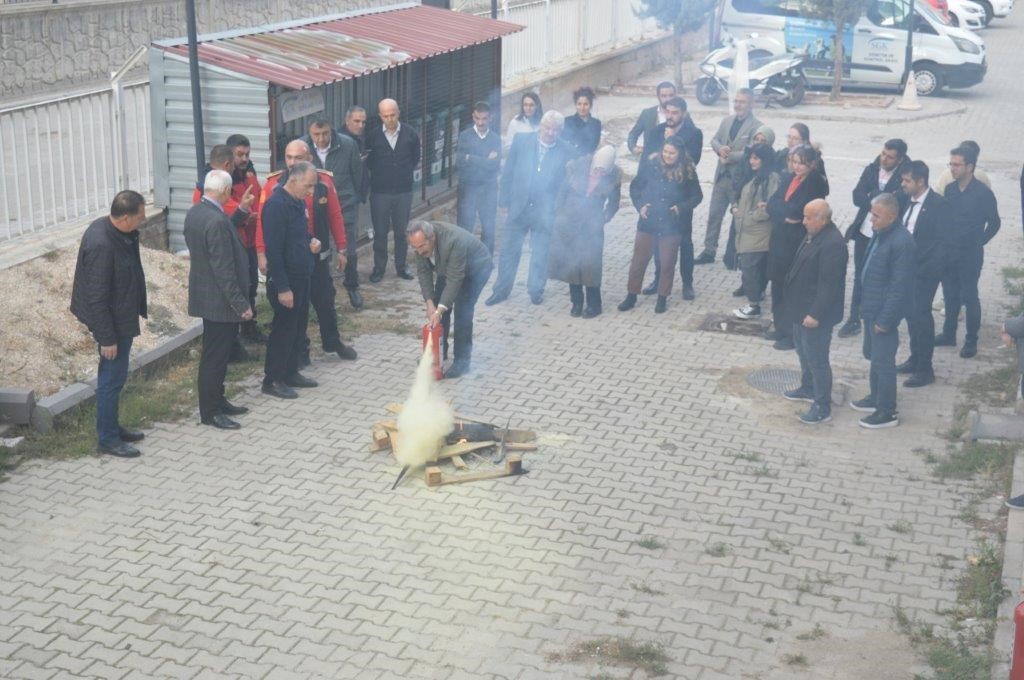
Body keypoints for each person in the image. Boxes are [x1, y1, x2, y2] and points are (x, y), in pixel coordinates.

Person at [255, 140, 356, 364]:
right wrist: (261, 253)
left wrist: (342, 248)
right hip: (291, 258)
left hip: (316, 255)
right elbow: (263, 224)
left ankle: (332, 342)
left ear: (309, 158)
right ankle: (300, 351)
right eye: (288, 157)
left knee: (325, 301)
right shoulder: (273, 185)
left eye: (298, 158)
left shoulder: (323, 181)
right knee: (296, 309)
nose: (292, 163)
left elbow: (335, 215)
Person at [70, 190, 148, 458]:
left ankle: (112, 426)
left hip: (120, 316)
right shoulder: (102, 244)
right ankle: (107, 438)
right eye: (140, 217)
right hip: (111, 324)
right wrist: (107, 338)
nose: (143, 220)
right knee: (110, 380)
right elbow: (97, 297)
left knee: (115, 377)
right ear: (125, 217)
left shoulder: (118, 232)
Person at [184, 169, 253, 430]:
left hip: (206, 295)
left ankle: (219, 400)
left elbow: (219, 240)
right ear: (225, 191)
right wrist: (241, 304)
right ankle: (210, 412)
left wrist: (241, 212)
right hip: (220, 301)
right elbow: (223, 268)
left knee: (219, 355)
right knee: (215, 357)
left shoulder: (197, 212)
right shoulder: (215, 221)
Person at [486, 110, 571, 306]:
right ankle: (501, 290)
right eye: (547, 128)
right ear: (541, 125)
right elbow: (508, 172)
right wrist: (504, 201)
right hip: (519, 207)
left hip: (545, 211)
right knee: (509, 251)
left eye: (555, 130)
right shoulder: (521, 141)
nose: (550, 133)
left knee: (540, 251)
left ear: (561, 131)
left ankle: (535, 289)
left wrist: (559, 209)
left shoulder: (566, 150)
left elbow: (566, 184)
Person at [849, 193, 915, 429]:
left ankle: (887, 411)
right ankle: (875, 397)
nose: (871, 219)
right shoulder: (881, 234)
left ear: (892, 216)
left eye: (876, 215)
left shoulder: (901, 242)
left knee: (883, 362)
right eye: (871, 213)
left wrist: (886, 320)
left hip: (882, 315)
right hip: (871, 309)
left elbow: (900, 287)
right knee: (874, 357)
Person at [781, 199, 848, 424]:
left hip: (815, 315)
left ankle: (822, 405)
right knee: (803, 351)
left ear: (823, 218)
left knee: (817, 358)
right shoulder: (814, 234)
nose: (804, 221)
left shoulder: (833, 244)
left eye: (809, 217)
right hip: (800, 309)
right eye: (804, 216)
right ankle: (807, 387)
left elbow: (830, 285)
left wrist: (816, 314)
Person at [618, 137, 703, 314]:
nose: (668, 156)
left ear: (679, 154)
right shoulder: (650, 165)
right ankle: (631, 295)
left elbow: (697, 196)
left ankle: (662, 298)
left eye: (672, 153)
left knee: (667, 262)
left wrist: (680, 207)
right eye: (665, 151)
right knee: (639, 261)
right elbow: (635, 188)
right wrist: (640, 205)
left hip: (672, 223)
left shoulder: (687, 170)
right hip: (648, 221)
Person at [259, 161, 322, 399]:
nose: (311, 192)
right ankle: (272, 379)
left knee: (298, 327)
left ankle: (290, 372)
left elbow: (299, 233)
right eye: (308, 186)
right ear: (293, 180)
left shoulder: (297, 202)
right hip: (285, 280)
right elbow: (274, 250)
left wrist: (311, 241)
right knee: (283, 329)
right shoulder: (276, 205)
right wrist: (283, 287)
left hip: (302, 274)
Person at [838, 139, 910, 338]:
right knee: (860, 274)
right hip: (864, 232)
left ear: (900, 159)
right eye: (883, 154)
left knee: (880, 277)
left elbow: (896, 202)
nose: (884, 159)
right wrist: (879, 196)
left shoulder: (905, 175)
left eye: (890, 157)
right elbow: (856, 196)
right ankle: (854, 318)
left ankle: (878, 317)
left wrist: (873, 195)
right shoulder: (872, 168)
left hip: (885, 234)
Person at [190, 144, 257, 360]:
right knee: (216, 352)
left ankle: (234, 349)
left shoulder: (201, 207)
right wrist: (241, 305)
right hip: (218, 291)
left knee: (216, 347)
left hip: (215, 282)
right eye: (240, 156)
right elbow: (223, 268)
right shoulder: (212, 206)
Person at [936, 144, 1001, 358]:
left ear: (970, 166)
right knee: (950, 294)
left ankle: (971, 340)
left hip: (970, 255)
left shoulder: (983, 194)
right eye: (951, 163)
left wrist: (979, 242)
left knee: (969, 296)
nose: (952, 168)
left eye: (956, 164)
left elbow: (994, 223)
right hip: (949, 252)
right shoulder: (951, 189)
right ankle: (948, 333)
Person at [408, 221, 493, 379]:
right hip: (449, 268)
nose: (418, 251)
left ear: (432, 238)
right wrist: (430, 304)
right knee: (439, 303)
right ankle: (440, 352)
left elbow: (455, 280)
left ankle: (462, 361)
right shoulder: (420, 243)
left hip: (476, 269)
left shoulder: (454, 241)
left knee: (462, 311)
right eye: (415, 247)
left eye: (421, 247)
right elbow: (423, 273)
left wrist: (439, 309)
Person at [636, 96, 703, 295]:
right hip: (658, 196)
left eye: (675, 112)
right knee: (659, 241)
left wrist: (675, 140)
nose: (671, 116)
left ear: (683, 113)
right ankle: (658, 280)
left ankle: (687, 284)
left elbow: (694, 160)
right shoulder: (657, 131)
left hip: (681, 197)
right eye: (668, 112)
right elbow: (648, 158)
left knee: (685, 242)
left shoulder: (694, 133)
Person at [765, 145, 829, 350]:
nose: (796, 166)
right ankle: (779, 326)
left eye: (801, 162)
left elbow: (797, 210)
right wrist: (784, 215)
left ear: (811, 164)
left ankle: (791, 334)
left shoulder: (815, 182)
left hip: (796, 241)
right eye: (794, 161)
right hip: (779, 239)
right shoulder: (788, 178)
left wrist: (786, 214)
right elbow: (772, 204)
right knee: (777, 285)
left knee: (791, 289)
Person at [549, 145, 621, 318]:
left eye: (603, 172)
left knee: (591, 266)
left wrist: (604, 218)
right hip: (569, 223)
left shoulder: (613, 177)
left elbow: (614, 204)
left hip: (592, 227)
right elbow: (561, 194)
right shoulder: (576, 168)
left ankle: (594, 305)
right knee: (572, 265)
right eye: (597, 170)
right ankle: (577, 303)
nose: (599, 174)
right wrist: (559, 214)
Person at [896, 161, 949, 388]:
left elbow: (941, 242)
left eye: (907, 181)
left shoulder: (938, 205)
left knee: (921, 318)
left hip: (924, 272)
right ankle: (915, 358)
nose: (903, 184)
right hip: (905, 270)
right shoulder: (905, 200)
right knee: (910, 316)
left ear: (921, 181)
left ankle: (925, 369)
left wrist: (924, 268)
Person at [303, 116, 364, 311]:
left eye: (325, 134)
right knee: (320, 249)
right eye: (316, 134)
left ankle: (352, 285)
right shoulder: (302, 147)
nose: (321, 139)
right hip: (315, 206)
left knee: (349, 248)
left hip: (344, 204)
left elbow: (358, 174)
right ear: (310, 133)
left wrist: (354, 198)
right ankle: (324, 291)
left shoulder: (348, 145)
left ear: (332, 131)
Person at [696, 88, 761, 265]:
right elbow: (714, 140)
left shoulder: (757, 126)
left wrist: (729, 156)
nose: (738, 105)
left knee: (738, 219)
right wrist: (720, 149)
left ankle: (734, 254)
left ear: (751, 104)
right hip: (721, 178)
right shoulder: (727, 120)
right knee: (714, 215)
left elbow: (751, 152)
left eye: (742, 102)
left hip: (739, 181)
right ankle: (709, 251)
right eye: (736, 101)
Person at [365, 98, 420, 282]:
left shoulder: (411, 134)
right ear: (380, 116)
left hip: (403, 192)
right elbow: (369, 162)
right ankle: (379, 268)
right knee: (380, 233)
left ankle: (401, 267)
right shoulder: (372, 136)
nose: (390, 119)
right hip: (380, 192)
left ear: (399, 113)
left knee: (401, 232)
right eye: (386, 116)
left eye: (393, 115)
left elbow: (415, 158)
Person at [733, 144, 780, 320]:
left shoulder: (771, 179)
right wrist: (736, 209)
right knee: (751, 268)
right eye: (751, 157)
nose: (752, 161)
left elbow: (770, 206)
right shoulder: (755, 177)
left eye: (756, 158)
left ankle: (754, 306)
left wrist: (752, 217)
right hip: (748, 231)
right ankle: (755, 299)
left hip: (758, 233)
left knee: (750, 269)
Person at [225, 134, 264, 342]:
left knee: (251, 285)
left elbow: (257, 196)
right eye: (240, 154)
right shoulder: (223, 178)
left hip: (250, 240)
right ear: (229, 154)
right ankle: (238, 332)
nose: (244, 158)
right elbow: (227, 209)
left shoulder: (249, 173)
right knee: (240, 287)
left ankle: (249, 328)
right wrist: (248, 216)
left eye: (247, 154)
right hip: (237, 242)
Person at [725, 124, 775, 278]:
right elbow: (736, 184)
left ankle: (755, 287)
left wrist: (754, 215)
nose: (758, 142)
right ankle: (745, 282)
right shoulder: (746, 158)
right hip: (741, 211)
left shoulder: (771, 165)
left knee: (756, 255)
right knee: (740, 248)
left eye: (763, 140)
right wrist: (734, 205)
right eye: (756, 139)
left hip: (757, 219)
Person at [456, 101, 502, 254]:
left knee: (488, 226)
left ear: (490, 118)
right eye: (477, 118)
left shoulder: (495, 139)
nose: (480, 122)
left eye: (484, 119)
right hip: (468, 188)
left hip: (488, 189)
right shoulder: (464, 136)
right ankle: (463, 257)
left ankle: (486, 258)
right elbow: (460, 161)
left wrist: (471, 157)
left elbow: (494, 166)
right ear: (473, 117)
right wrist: (485, 160)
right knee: (464, 225)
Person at [339, 105, 370, 309]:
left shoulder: (360, 139)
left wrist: (359, 195)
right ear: (347, 120)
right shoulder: (341, 142)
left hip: (351, 201)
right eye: (357, 121)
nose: (360, 125)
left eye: (363, 122)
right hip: (335, 200)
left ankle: (352, 285)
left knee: (351, 247)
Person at [627, 81, 676, 156]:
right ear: (658, 97)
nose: (668, 99)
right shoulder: (647, 114)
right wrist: (633, 148)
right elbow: (633, 134)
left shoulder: (683, 116)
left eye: (671, 95)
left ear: (675, 96)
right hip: (650, 161)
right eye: (664, 96)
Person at [561, 86, 601, 157]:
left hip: (587, 159)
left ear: (590, 106)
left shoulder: (596, 124)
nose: (582, 108)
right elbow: (564, 143)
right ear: (575, 105)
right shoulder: (567, 121)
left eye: (585, 104)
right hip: (569, 159)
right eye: (579, 104)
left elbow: (592, 146)